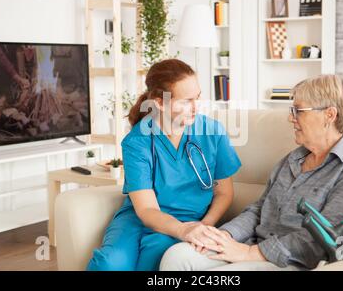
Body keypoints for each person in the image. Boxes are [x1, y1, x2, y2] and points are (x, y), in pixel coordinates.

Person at [160, 75, 343, 271]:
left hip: (292, 262)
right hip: (254, 246)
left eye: (298, 111)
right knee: (177, 257)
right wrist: (224, 235)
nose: (291, 118)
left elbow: (325, 239)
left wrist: (250, 253)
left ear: (329, 114)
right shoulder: (292, 159)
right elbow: (260, 209)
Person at [86, 59, 242, 271]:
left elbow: (224, 192)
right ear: (159, 102)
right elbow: (147, 209)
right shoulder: (138, 141)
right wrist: (183, 231)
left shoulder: (212, 132)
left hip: (191, 220)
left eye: (197, 97)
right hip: (139, 219)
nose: (196, 108)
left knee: (154, 260)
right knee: (109, 264)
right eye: (186, 101)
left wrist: (203, 226)